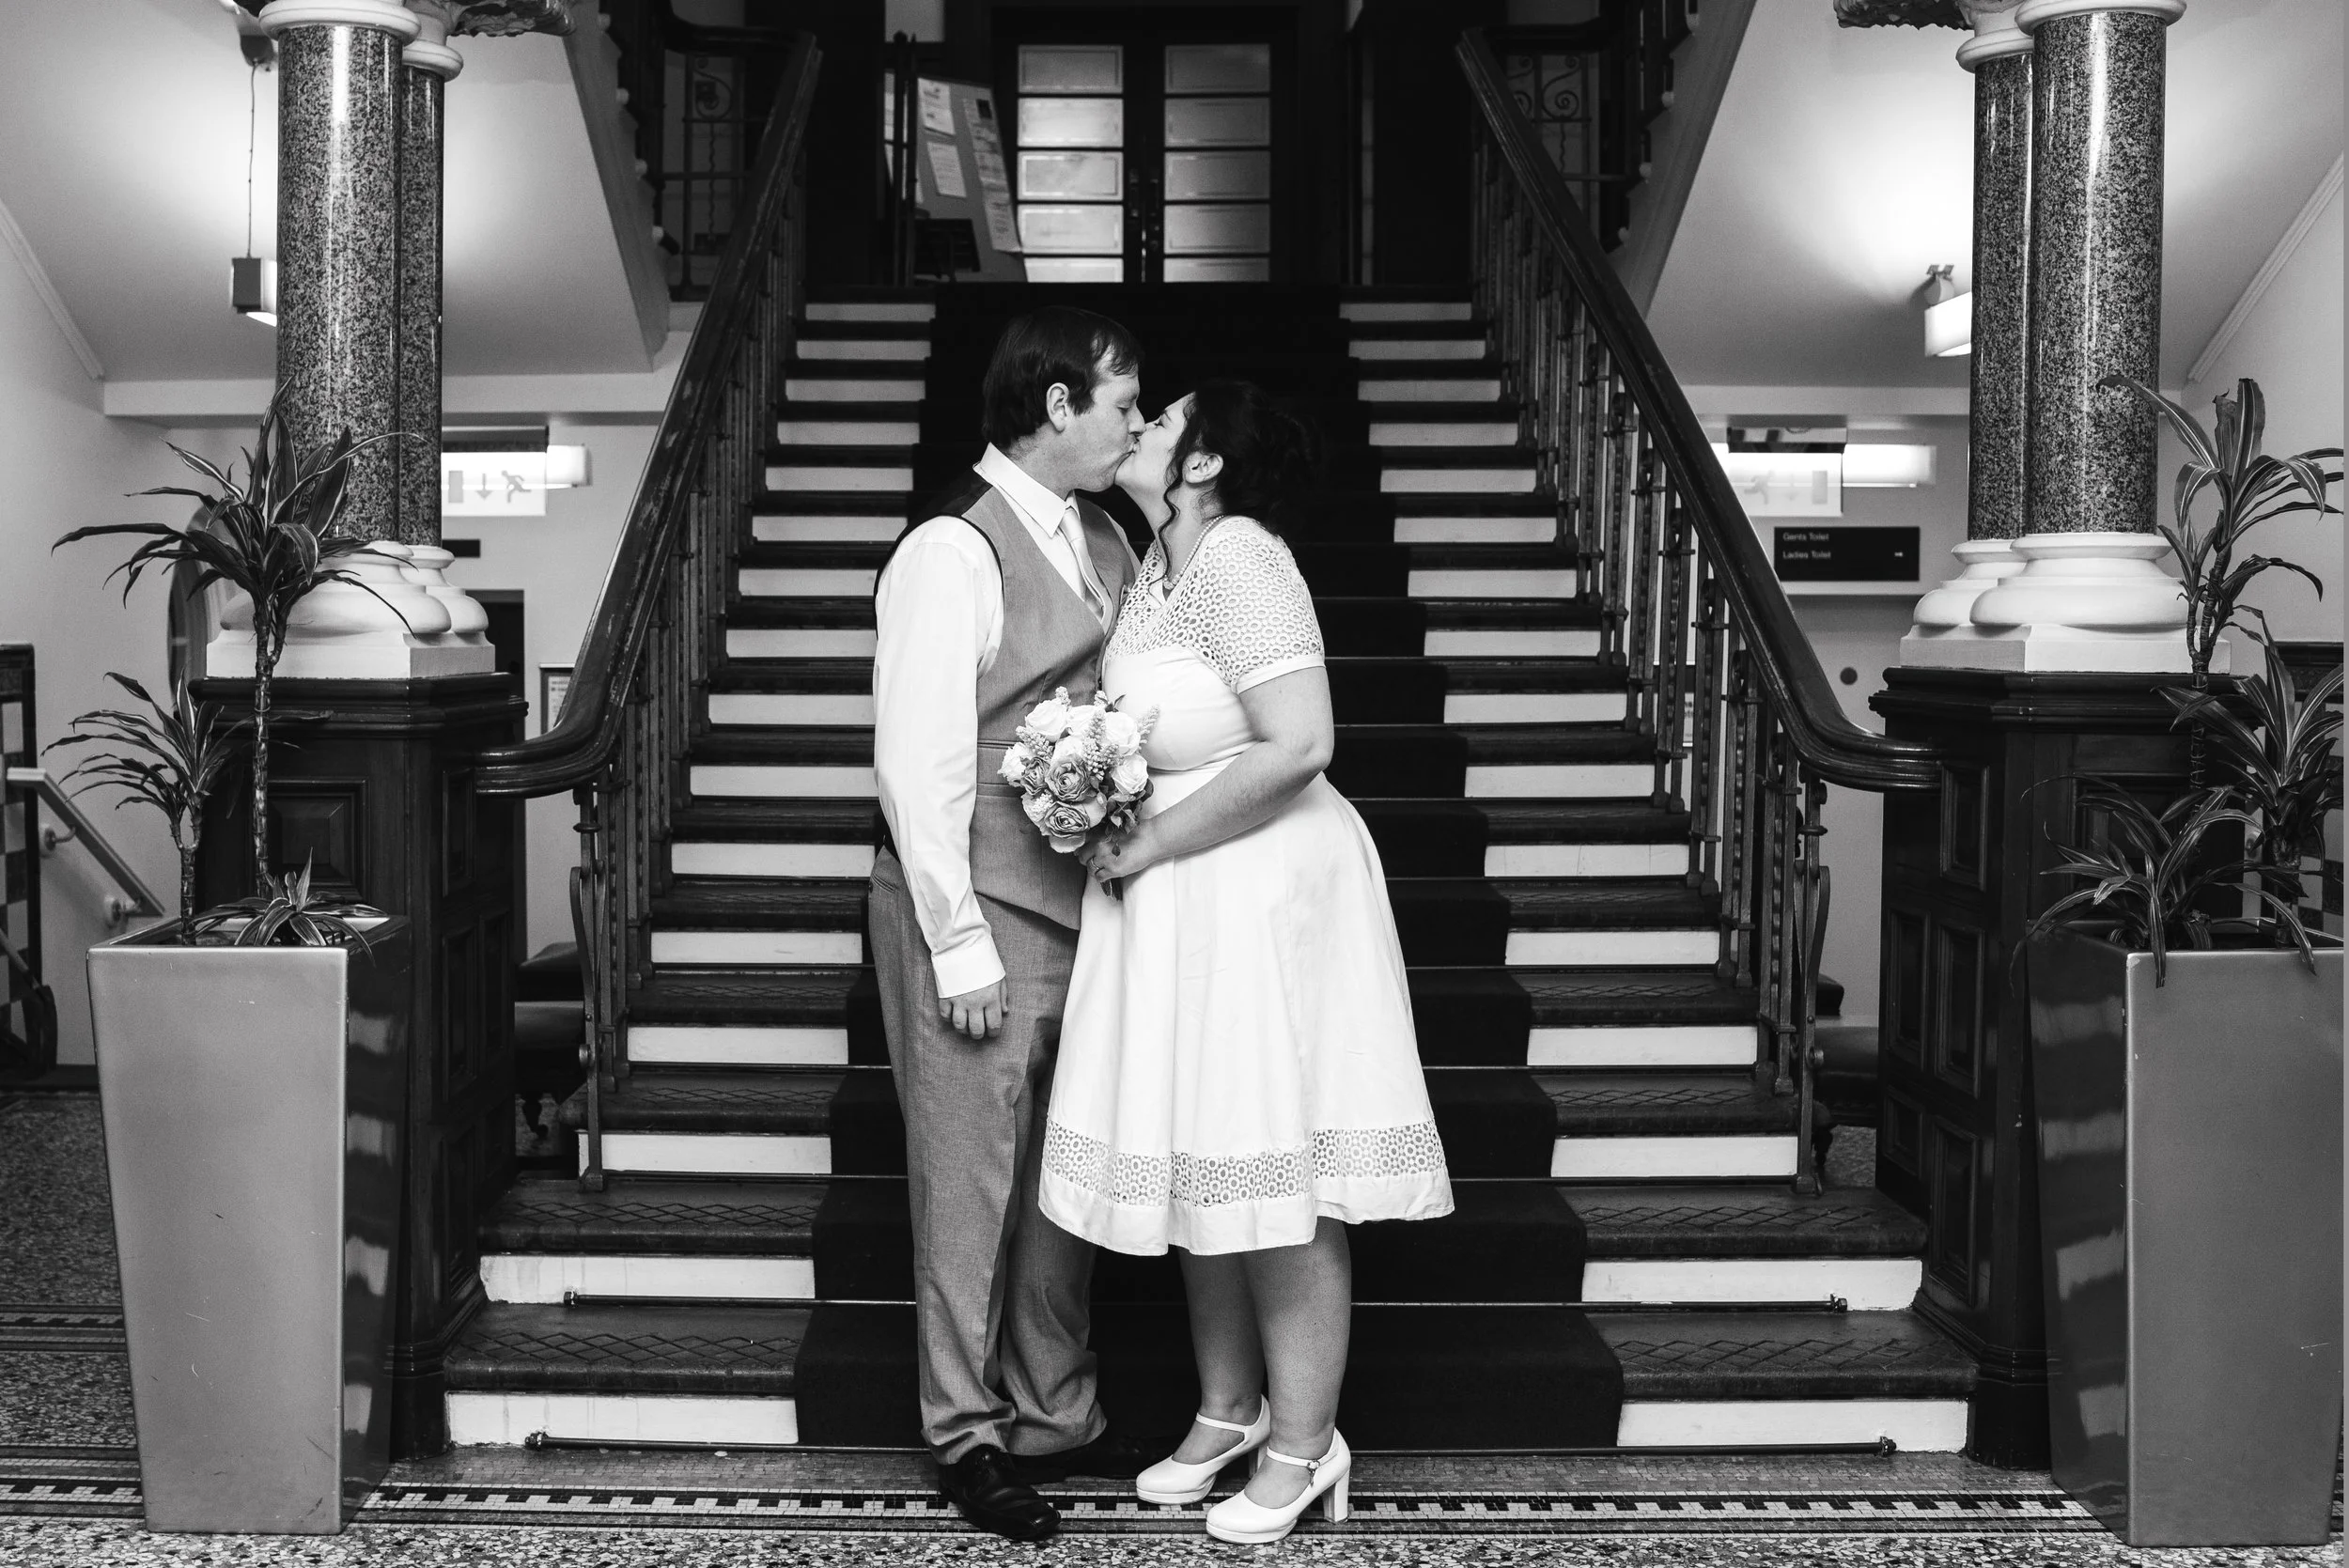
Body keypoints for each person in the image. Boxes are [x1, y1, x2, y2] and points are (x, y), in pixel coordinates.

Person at [1040, 380, 1455, 1545]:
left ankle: (1305, 1441)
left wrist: (1151, 839)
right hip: (1182, 898)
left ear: (1206, 461)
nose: (1137, 427)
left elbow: (1304, 742)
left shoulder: (1241, 558)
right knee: (1202, 1155)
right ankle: (1226, 1407)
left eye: (1160, 420)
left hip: (1256, 891)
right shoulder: (1156, 563)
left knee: (1275, 1167)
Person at [868, 306, 1158, 1541]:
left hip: (1083, 897)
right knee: (972, 1179)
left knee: (1063, 1169)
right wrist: (958, 941)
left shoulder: (1106, 530)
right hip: (979, 904)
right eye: (1123, 405)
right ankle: (967, 1432)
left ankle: (1057, 1405)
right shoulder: (951, 548)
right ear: (1056, 404)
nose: (1135, 425)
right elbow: (919, 757)